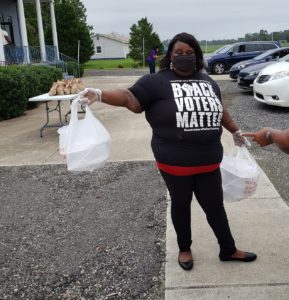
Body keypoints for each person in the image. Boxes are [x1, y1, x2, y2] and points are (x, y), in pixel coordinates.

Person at [78, 32, 257, 271]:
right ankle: (184, 248)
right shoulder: (156, 81)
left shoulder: (208, 82)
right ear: (170, 56)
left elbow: (220, 109)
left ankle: (228, 249)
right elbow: (130, 97)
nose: (185, 56)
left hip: (209, 162)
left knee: (215, 207)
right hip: (175, 162)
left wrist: (236, 131)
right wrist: (101, 94)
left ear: (198, 56)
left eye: (190, 53)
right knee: (181, 205)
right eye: (179, 53)